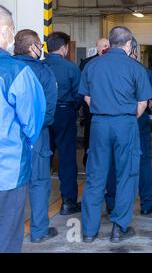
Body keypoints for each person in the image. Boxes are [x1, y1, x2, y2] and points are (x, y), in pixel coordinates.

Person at [79, 26, 152, 243]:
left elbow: (86, 97)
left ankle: (89, 232)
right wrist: (127, 116)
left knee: (95, 176)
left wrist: (104, 108)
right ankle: (118, 228)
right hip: (126, 123)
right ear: (129, 44)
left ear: (110, 43)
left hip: (99, 123)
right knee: (126, 175)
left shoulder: (91, 66)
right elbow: (143, 103)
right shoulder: (136, 68)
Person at [0, 5, 46, 252]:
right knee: (7, 235)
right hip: (7, 171)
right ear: (6, 31)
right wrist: (25, 145)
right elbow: (33, 120)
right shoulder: (17, 72)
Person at [105, 37, 152, 216]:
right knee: (143, 162)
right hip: (138, 121)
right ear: (132, 50)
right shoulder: (142, 71)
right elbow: (150, 101)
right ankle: (147, 202)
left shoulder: (105, 68)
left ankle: (112, 203)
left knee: (114, 162)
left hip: (111, 122)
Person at [13, 30, 58, 243]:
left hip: (9, 136)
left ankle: (9, 234)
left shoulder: (8, 68)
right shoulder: (43, 71)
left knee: (10, 184)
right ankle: (39, 232)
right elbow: (49, 110)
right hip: (37, 135)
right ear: (33, 47)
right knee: (39, 182)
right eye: (40, 45)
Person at [45, 32, 83, 215]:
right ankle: (68, 202)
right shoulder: (71, 68)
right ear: (64, 48)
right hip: (64, 112)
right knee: (67, 158)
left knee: (44, 157)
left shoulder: (40, 66)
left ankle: (40, 202)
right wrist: (72, 109)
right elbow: (79, 95)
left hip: (43, 114)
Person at [79, 38, 110, 166]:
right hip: (91, 106)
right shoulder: (87, 63)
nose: (105, 48)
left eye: (107, 45)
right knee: (90, 134)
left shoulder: (113, 63)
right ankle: (88, 160)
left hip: (109, 106)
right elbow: (82, 87)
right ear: (97, 47)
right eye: (103, 46)